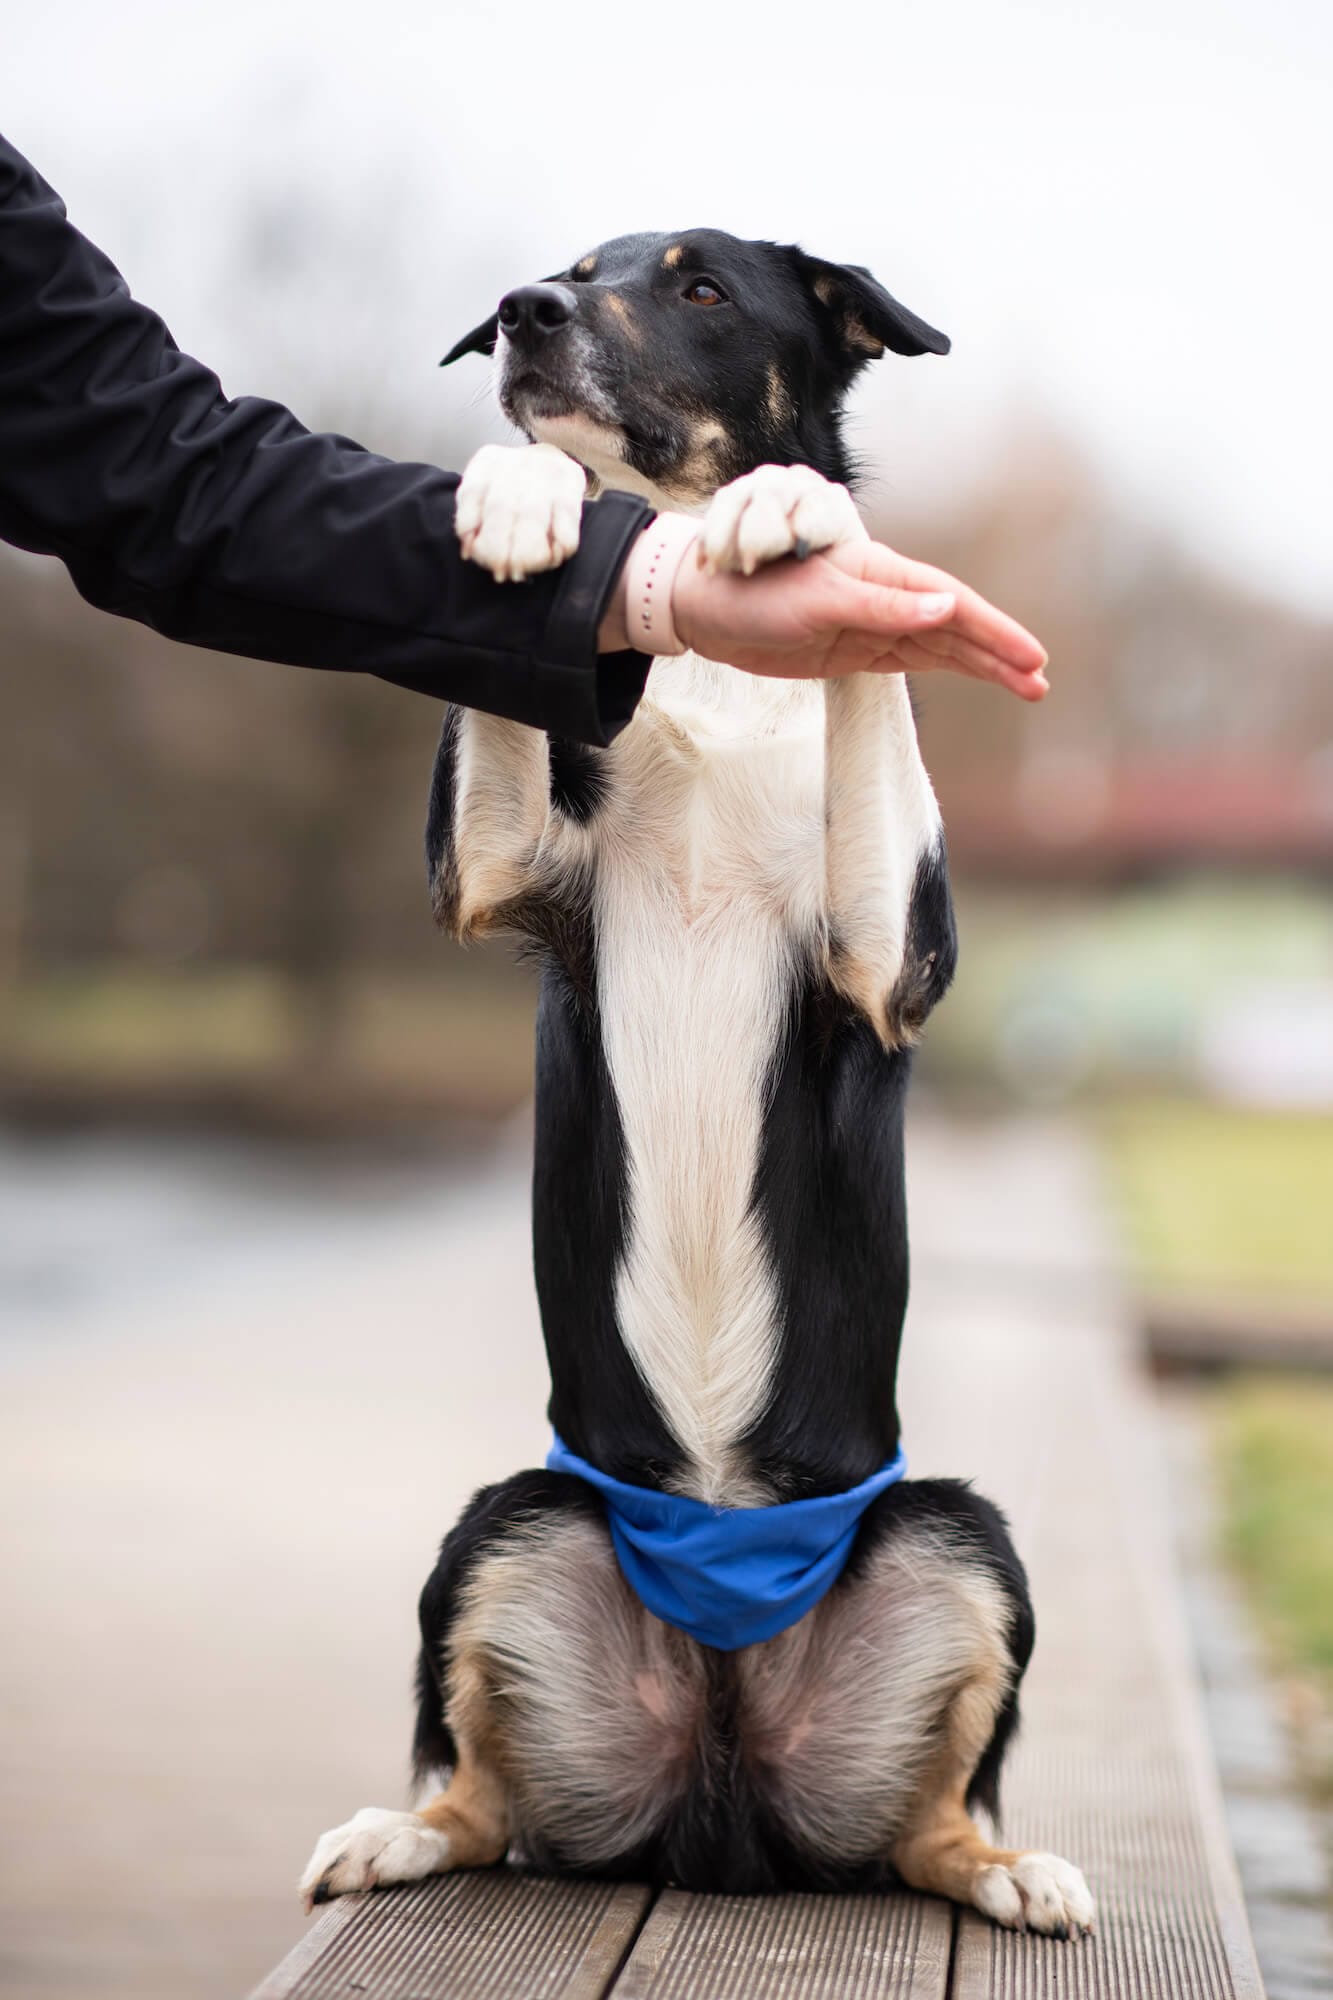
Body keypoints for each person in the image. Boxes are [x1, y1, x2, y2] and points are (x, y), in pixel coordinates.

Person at [0, 134, 1048, 747]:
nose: (565, 308)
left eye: (697, 293)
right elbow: (482, 881)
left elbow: (159, 469)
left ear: (837, 339)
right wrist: (538, 490)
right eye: (573, 288)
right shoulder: (531, 514)